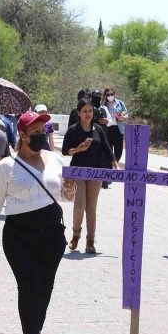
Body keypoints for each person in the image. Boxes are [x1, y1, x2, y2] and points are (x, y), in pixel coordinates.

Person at [0, 110, 76, 334]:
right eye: (35, 133)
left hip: (52, 234)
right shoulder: (7, 166)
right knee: (28, 286)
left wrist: (69, 190)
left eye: (43, 132)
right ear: (21, 135)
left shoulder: (56, 160)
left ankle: (36, 327)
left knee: (45, 287)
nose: (41, 137)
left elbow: (65, 197)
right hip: (19, 236)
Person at [62, 99, 117, 253]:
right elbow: (65, 150)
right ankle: (75, 235)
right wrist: (78, 149)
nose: (88, 114)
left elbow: (106, 147)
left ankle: (90, 241)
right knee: (79, 205)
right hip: (78, 172)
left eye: (90, 111)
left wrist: (113, 161)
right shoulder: (73, 130)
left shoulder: (98, 129)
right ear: (79, 113)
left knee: (91, 207)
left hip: (96, 172)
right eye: (85, 111)